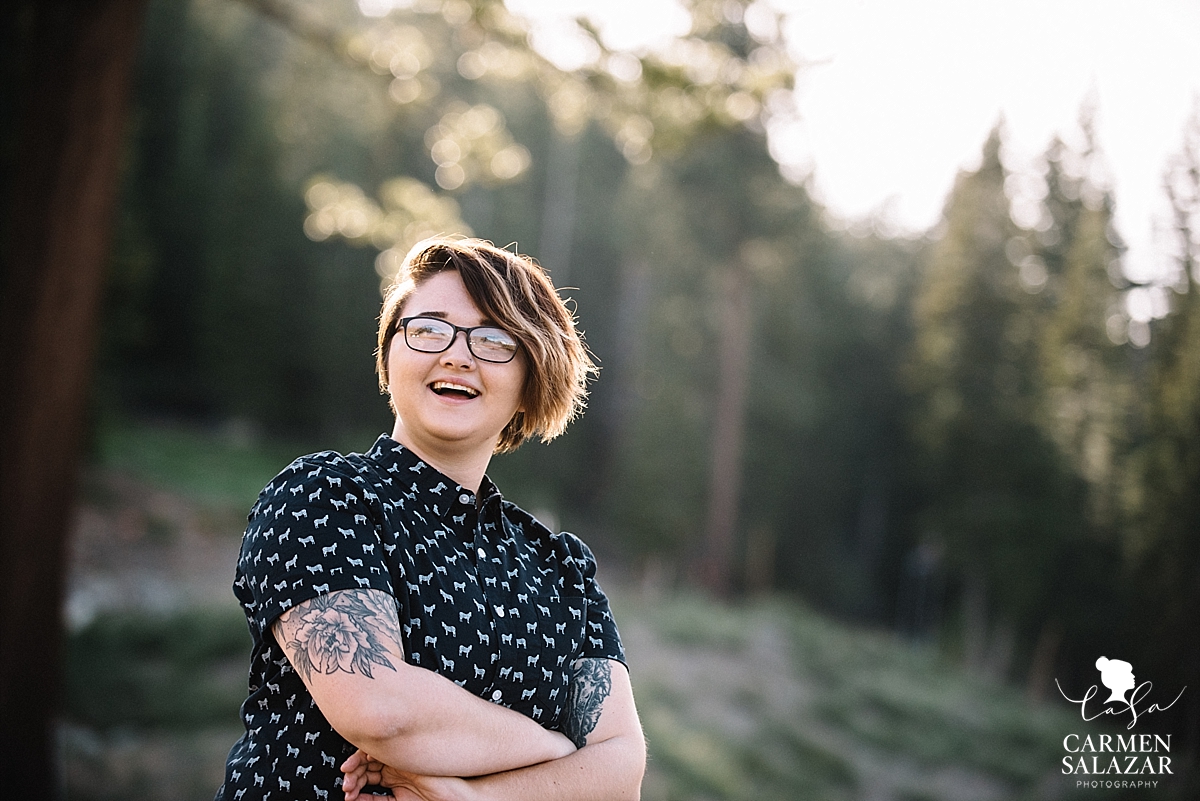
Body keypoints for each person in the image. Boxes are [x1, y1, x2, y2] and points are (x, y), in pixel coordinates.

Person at [215, 238, 645, 801]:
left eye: (494, 339)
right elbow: (379, 708)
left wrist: (475, 800)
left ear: (530, 379)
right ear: (390, 357)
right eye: (429, 329)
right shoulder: (322, 497)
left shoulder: (561, 571)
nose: (458, 355)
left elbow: (622, 773)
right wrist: (560, 752)